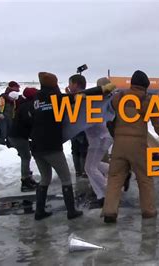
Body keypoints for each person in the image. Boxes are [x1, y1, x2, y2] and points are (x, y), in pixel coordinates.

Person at [26, 72, 115, 221]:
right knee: (67, 178)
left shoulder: (36, 99)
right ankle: (72, 211)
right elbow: (82, 95)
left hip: (36, 145)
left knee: (45, 178)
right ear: (53, 85)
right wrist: (101, 89)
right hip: (52, 145)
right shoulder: (57, 99)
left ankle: (39, 212)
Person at [103, 70, 159, 224]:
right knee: (145, 178)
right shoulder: (148, 101)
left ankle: (109, 211)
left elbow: (108, 116)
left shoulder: (118, 98)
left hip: (119, 145)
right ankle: (148, 212)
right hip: (138, 145)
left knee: (114, 178)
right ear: (145, 86)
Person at [80, 77, 114, 208]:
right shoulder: (106, 99)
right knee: (92, 166)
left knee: (90, 168)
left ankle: (106, 193)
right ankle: (103, 193)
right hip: (100, 137)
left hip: (100, 138)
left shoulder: (99, 100)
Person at [8, 87, 39, 192]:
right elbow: (28, 121)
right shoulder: (26, 107)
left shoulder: (23, 104)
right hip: (18, 136)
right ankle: (25, 180)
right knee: (26, 157)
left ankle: (27, 177)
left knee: (25, 156)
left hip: (17, 135)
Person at [67, 74, 89, 178]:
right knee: (79, 150)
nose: (69, 86)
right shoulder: (88, 96)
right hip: (79, 129)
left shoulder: (79, 97)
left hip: (79, 129)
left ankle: (81, 172)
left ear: (75, 85)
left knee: (79, 150)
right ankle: (82, 172)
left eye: (70, 84)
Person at [0, 81, 20, 146]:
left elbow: (15, 108)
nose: (13, 100)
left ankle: (9, 145)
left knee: (10, 132)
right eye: (12, 98)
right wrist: (0, 115)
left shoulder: (14, 99)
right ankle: (1, 145)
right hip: (1, 118)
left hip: (10, 118)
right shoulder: (0, 99)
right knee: (3, 132)